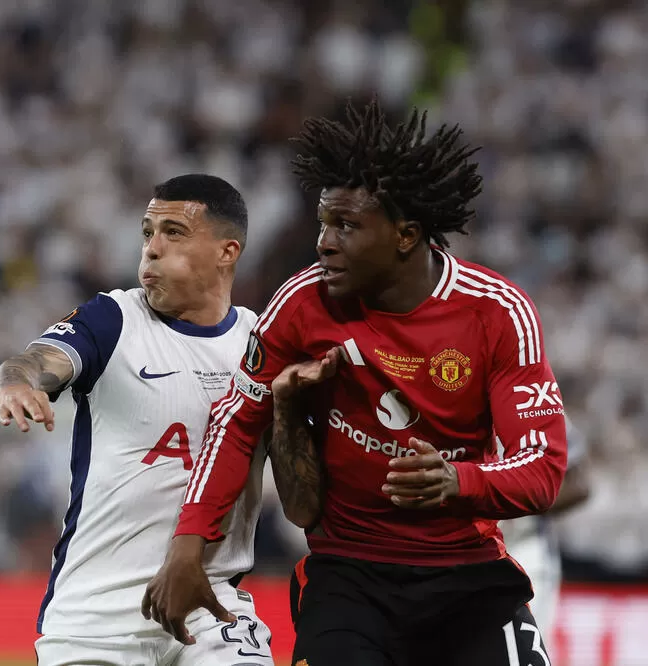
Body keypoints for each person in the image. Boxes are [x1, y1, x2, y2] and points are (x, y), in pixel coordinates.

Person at [144, 100, 568, 666]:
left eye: (345, 226)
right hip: (350, 574)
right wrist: (188, 545)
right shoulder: (303, 301)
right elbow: (237, 423)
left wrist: (458, 480)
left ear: (405, 235)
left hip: (467, 574)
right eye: (323, 222)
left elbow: (542, 471)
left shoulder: (497, 313)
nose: (323, 242)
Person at [0, 174, 277, 666]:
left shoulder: (262, 343)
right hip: (97, 617)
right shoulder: (113, 319)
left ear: (227, 252)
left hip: (210, 606)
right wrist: (17, 382)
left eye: (174, 232)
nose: (152, 249)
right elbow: (34, 361)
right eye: (147, 233)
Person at [502, 414, 591, 632]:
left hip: (524, 551)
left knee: (524, 644)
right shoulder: (442, 404)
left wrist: (511, 503)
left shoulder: (536, 406)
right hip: (458, 552)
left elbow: (579, 484)